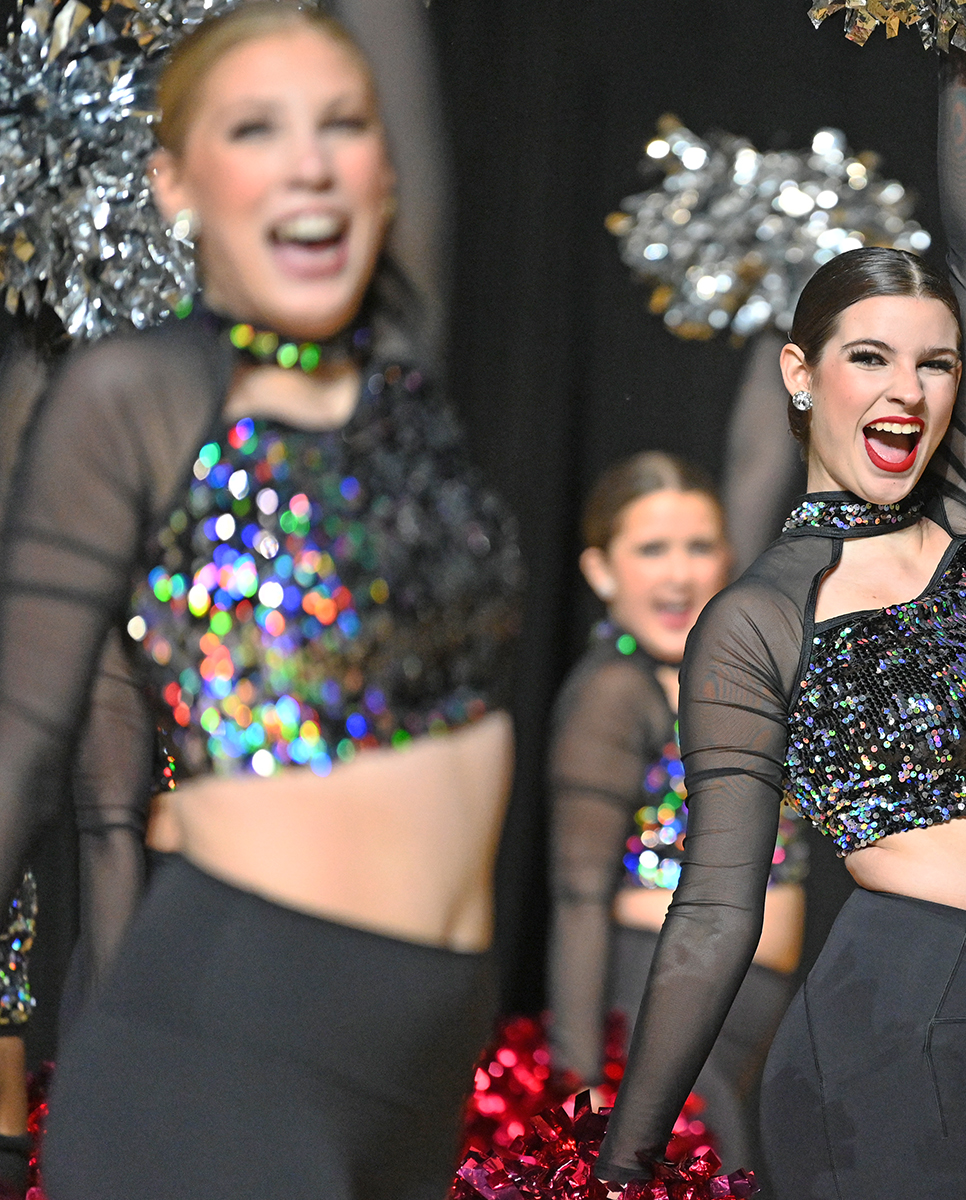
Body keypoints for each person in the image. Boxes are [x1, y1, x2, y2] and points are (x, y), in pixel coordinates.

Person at [0, 5, 523, 1195]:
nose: (309, 161)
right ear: (174, 183)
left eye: (342, 126)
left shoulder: (405, 381)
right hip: (227, 1043)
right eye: (256, 128)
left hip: (419, 1057)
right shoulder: (138, 393)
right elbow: (19, 747)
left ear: (382, 172)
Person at [595, 45, 966, 1200]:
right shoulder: (761, 616)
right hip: (897, 1037)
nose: (906, 392)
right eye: (868, 358)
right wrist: (621, 1166)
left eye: (936, 364)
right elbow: (715, 908)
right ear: (802, 374)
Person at [546, 451, 806, 1174]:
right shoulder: (615, 693)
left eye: (698, 548)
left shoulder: (731, 682)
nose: (679, 574)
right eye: (651, 550)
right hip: (656, 1006)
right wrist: (581, 1082)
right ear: (601, 571)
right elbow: (577, 896)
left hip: (743, 1028)